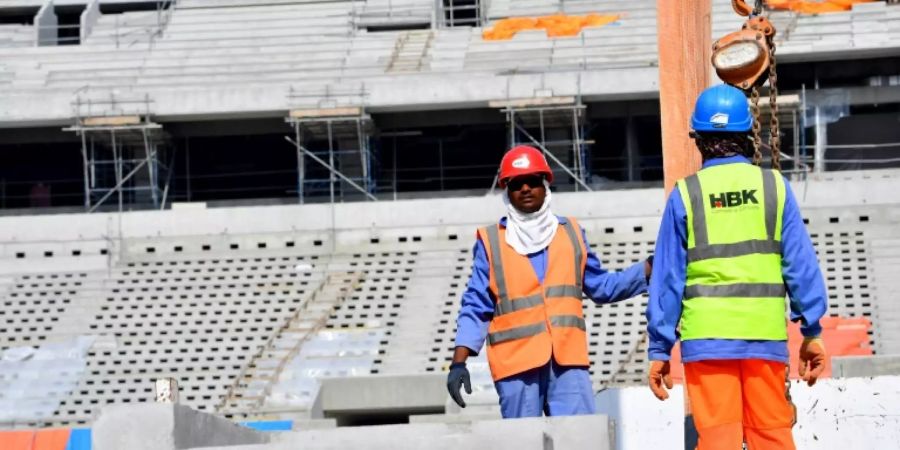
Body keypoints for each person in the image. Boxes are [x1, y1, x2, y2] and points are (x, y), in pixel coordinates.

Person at [645, 84, 828, 449]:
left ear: (699, 139)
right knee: (773, 436)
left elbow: (667, 279)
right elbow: (801, 266)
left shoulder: (685, 194)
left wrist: (660, 349)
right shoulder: (774, 187)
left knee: (718, 441)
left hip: (707, 339)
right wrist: (812, 330)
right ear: (748, 135)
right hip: (764, 336)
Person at [447, 145, 651, 418]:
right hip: (516, 367)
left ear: (545, 186)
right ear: (507, 191)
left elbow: (602, 287)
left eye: (533, 182)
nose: (526, 189)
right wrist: (458, 363)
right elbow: (476, 305)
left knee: (579, 442)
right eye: (517, 183)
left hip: (567, 362)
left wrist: (649, 268)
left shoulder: (572, 234)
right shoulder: (491, 242)